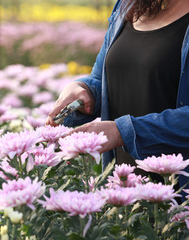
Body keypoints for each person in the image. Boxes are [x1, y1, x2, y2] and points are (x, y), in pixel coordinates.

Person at [46, 0, 189, 193]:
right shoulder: (127, 5)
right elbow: (102, 77)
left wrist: (121, 132)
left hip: (179, 200)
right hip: (122, 193)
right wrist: (84, 90)